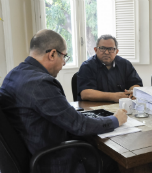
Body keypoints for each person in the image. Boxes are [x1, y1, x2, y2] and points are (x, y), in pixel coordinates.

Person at [0, 29, 128, 173]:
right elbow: (79, 126)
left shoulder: (13, 75)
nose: (64, 64)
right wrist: (115, 120)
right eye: (64, 57)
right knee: (114, 160)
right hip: (53, 160)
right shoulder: (41, 83)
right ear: (52, 54)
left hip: (31, 151)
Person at [77, 34, 143, 102]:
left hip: (122, 107)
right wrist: (114, 97)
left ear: (116, 51)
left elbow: (136, 84)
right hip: (94, 109)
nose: (106, 52)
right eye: (102, 48)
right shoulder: (87, 66)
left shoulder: (125, 64)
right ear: (96, 50)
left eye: (111, 49)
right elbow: (85, 94)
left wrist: (132, 92)